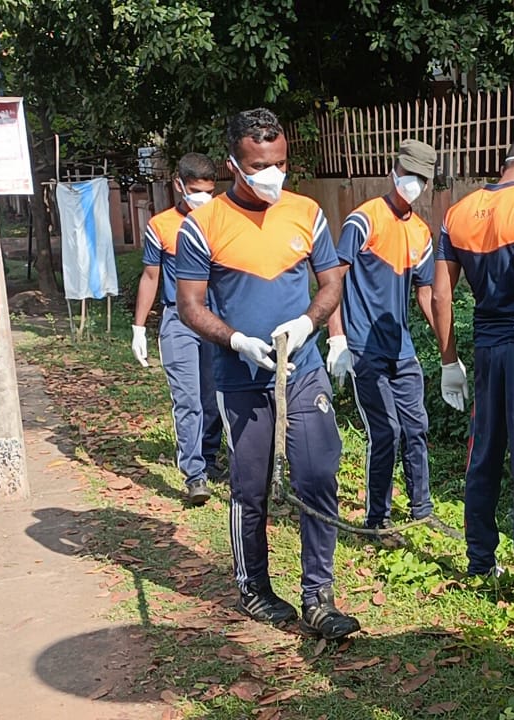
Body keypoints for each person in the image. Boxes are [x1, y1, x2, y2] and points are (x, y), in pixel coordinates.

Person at [176, 108, 359, 640]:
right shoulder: (202, 225)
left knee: (319, 473)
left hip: (301, 371)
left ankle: (318, 595)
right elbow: (190, 304)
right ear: (234, 164)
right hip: (240, 378)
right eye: (260, 165)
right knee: (250, 487)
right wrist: (235, 339)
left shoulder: (307, 213)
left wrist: (309, 324)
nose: (272, 174)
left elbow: (330, 284)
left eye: (279, 162)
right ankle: (253, 585)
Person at [432, 133, 514, 604]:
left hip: (485, 347)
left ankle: (479, 560)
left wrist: (450, 361)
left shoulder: (457, 213)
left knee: (483, 451)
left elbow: (441, 293)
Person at [326, 140, 438, 538]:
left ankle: (421, 509)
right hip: (362, 345)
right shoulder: (364, 220)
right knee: (385, 431)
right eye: (409, 174)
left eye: (421, 178)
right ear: (395, 170)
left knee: (417, 427)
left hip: (401, 347)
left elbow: (426, 293)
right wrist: (336, 338)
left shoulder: (422, 233)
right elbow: (333, 279)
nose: (414, 183)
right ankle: (377, 519)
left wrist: (449, 352)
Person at [131, 153, 225, 506]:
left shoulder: (222, 221)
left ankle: (211, 458)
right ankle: (195, 475)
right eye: (197, 190)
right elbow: (151, 276)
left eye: (209, 191)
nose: (203, 197)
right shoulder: (161, 225)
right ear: (179, 185)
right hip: (179, 320)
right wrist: (139, 327)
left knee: (213, 397)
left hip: (217, 321)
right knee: (187, 399)